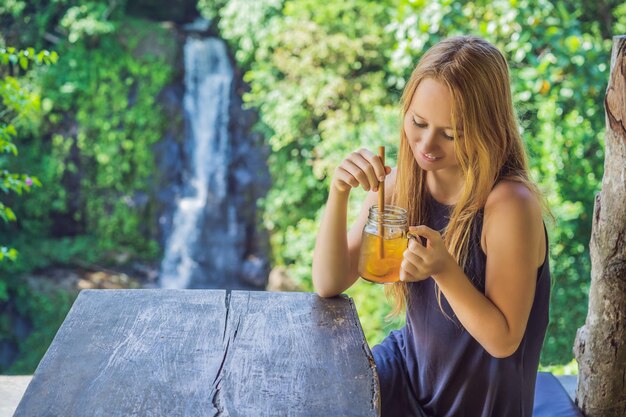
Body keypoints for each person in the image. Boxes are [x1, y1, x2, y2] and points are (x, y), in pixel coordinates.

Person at [312, 35, 550, 417]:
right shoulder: (401, 184)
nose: (427, 145)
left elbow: (504, 340)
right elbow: (329, 281)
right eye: (418, 122)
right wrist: (338, 192)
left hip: (480, 405)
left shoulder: (509, 205)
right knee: (321, 397)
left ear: (488, 128)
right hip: (409, 372)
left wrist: (443, 270)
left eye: (451, 134)